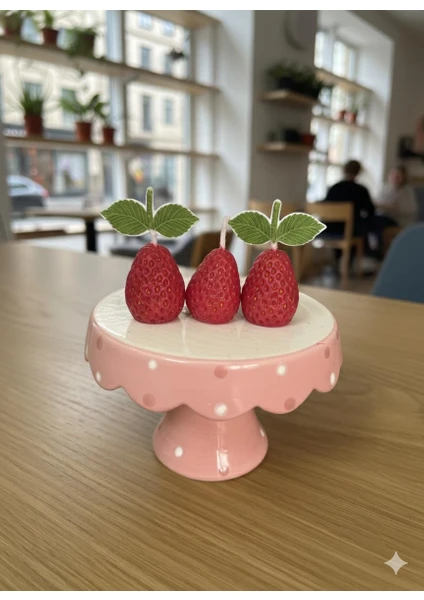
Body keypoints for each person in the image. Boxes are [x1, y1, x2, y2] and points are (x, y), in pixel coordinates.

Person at [323, 159, 375, 239]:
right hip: (350, 229)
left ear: (344, 170)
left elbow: (325, 206)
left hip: (330, 228)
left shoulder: (334, 188)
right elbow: (370, 211)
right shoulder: (361, 190)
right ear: (358, 172)